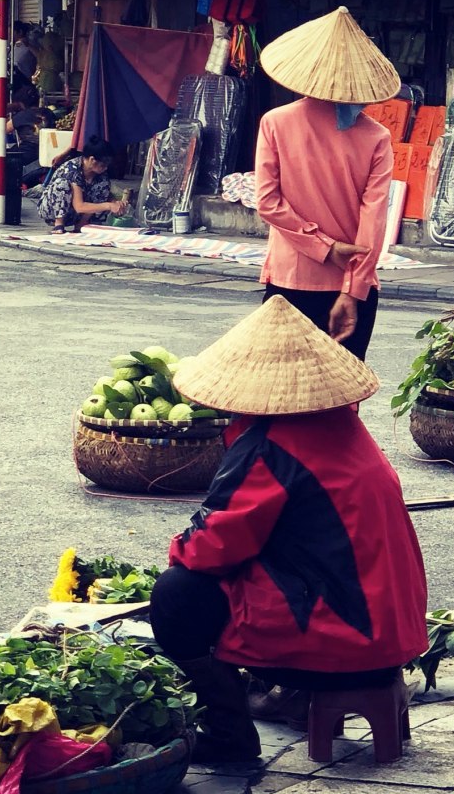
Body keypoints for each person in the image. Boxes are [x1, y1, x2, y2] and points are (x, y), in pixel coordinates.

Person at [148, 296, 428, 764]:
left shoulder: (271, 445)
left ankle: (229, 735)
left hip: (344, 641)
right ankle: (289, 696)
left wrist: (179, 550)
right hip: (389, 634)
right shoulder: (344, 428)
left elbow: (212, 546)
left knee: (176, 595)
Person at [254, 6, 399, 361]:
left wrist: (323, 247)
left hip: (291, 280)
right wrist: (352, 289)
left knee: (280, 385)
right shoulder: (377, 136)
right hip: (350, 288)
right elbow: (373, 222)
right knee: (345, 388)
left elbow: (268, 203)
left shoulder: (275, 122)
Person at [35, 137, 127, 233]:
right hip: (51, 211)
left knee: (103, 187)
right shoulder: (72, 169)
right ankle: (59, 224)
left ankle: (81, 224)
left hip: (74, 214)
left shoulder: (101, 176)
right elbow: (79, 206)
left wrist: (115, 203)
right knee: (62, 184)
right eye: (103, 165)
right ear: (92, 160)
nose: (105, 168)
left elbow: (101, 197)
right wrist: (108, 206)